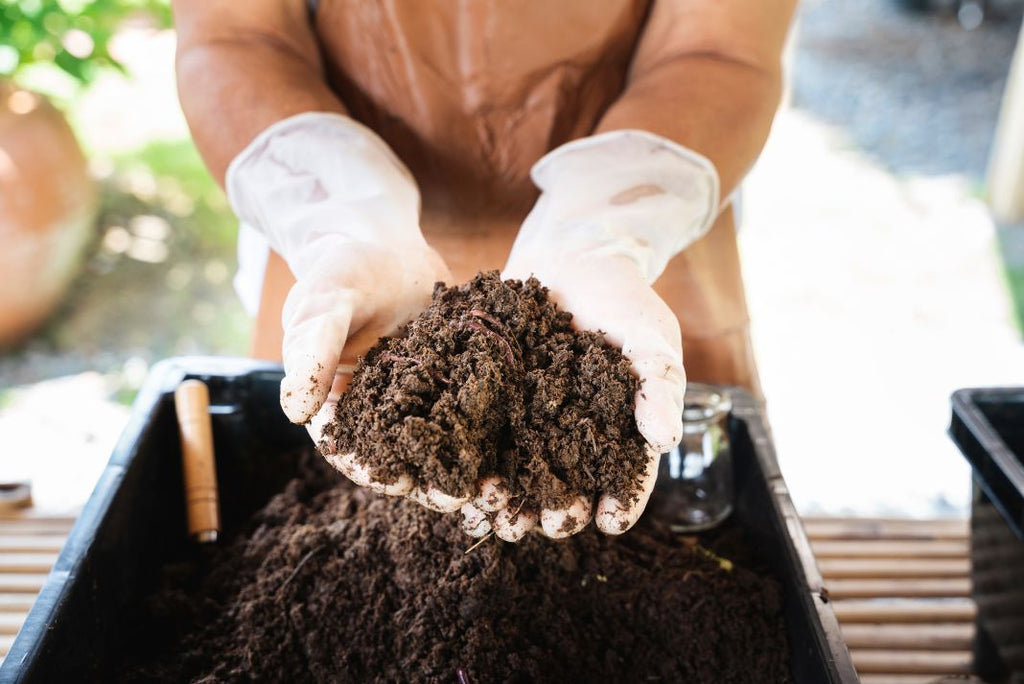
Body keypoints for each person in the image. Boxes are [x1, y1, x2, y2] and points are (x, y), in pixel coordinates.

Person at [172, 0, 797, 541]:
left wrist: (601, 231)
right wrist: (341, 219)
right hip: (347, 243)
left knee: (687, 506)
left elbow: (720, 50)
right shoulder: (349, 246)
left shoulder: (613, 250)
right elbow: (236, 34)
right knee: (311, 478)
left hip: (631, 234)